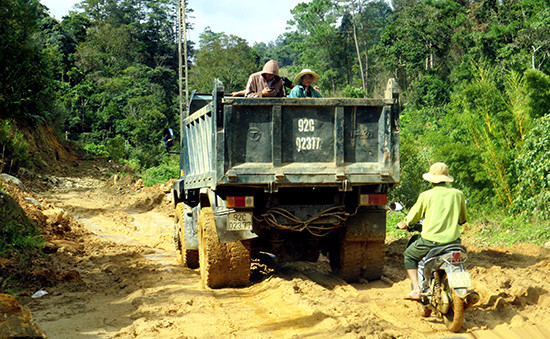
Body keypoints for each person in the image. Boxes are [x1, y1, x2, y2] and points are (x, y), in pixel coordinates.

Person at [397, 162, 467, 300]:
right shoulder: (458, 194)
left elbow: (414, 215)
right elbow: (462, 219)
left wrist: (406, 223)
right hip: (454, 242)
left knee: (409, 255)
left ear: (431, 179)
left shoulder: (426, 195)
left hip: (431, 241)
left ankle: (416, 289)